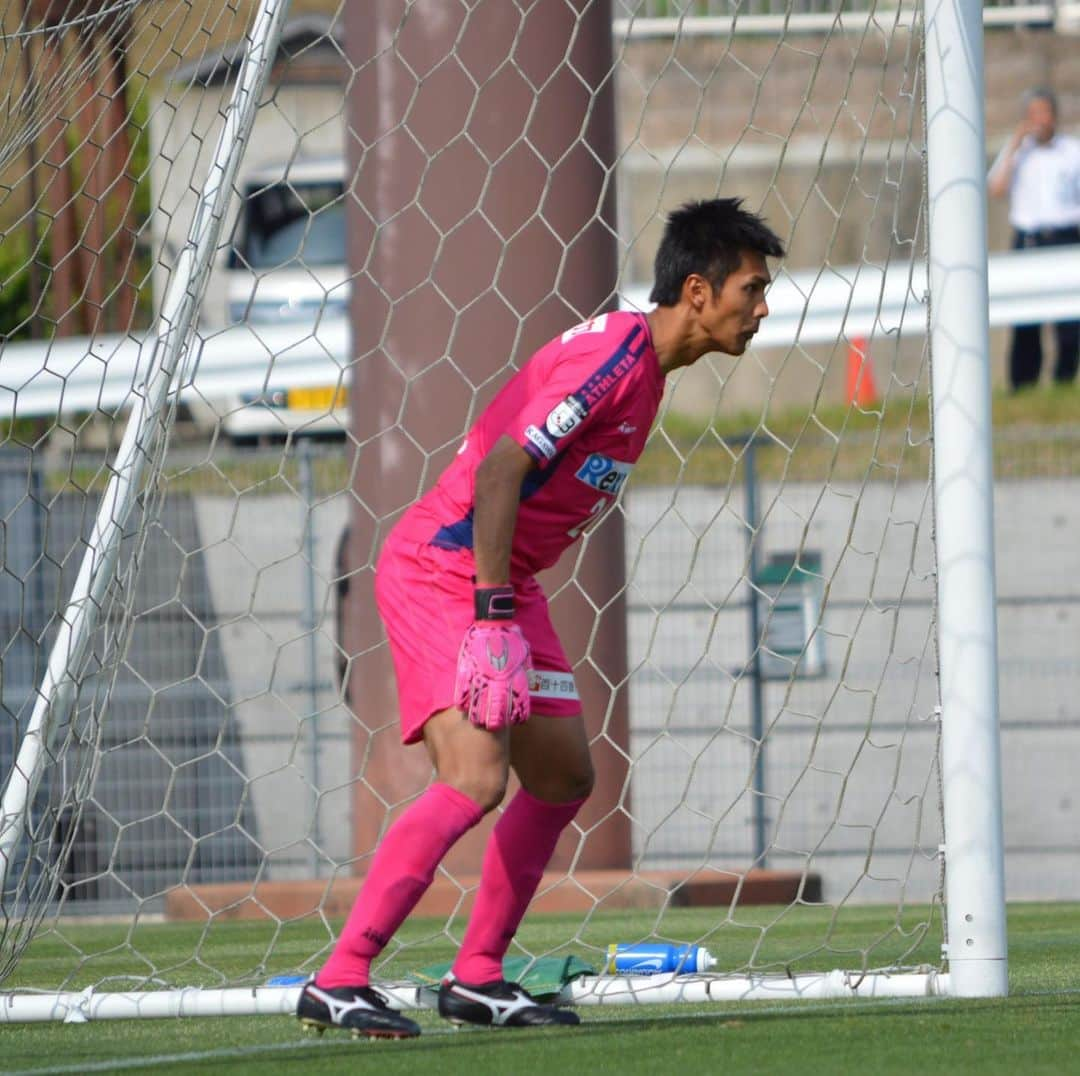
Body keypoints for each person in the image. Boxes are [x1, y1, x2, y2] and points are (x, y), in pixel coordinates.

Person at [296, 198, 785, 1039]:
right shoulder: (617, 357)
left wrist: (505, 599)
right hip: (446, 570)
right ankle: (339, 977)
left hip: (505, 580)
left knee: (562, 776)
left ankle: (478, 975)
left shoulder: (648, 375)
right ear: (698, 291)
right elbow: (498, 474)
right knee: (476, 779)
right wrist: (491, 617)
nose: (763, 306)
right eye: (753, 287)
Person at [988, 88, 1080, 389]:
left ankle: (1063, 381)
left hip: (1065, 237)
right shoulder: (1018, 152)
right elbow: (997, 188)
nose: (1041, 120)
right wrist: (1015, 144)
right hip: (1029, 241)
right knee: (1025, 318)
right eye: (1035, 113)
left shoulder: (1071, 151)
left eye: (1046, 112)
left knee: (1070, 320)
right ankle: (1023, 385)